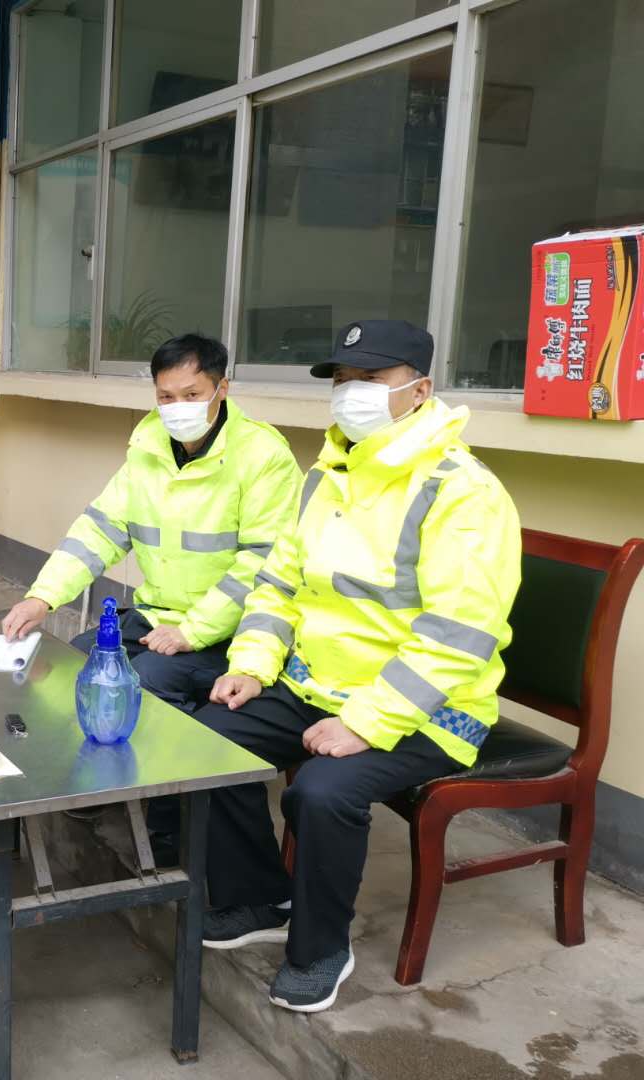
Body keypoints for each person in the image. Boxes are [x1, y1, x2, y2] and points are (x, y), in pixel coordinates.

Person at [194, 319, 521, 1013]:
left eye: (370, 380)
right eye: (342, 380)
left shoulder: (463, 490)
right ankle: (261, 899)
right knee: (208, 740)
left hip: (432, 708)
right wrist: (252, 663)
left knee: (322, 791)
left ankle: (321, 950)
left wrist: (366, 723)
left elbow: (458, 634)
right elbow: (278, 584)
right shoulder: (329, 473)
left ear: (419, 390)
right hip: (320, 685)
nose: (350, 394)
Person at [2, 334, 301, 713]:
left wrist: (192, 631)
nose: (178, 408)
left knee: (137, 688)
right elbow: (100, 531)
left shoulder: (264, 457)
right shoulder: (149, 447)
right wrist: (42, 597)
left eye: (191, 395)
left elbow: (263, 564)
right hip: (155, 618)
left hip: (231, 632)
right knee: (74, 663)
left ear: (222, 388)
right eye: (166, 397)